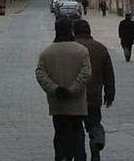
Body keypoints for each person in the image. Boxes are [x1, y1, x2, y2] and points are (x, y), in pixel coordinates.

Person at [36, 18, 92, 161]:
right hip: (77, 103)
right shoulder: (81, 51)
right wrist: (72, 89)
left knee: (60, 133)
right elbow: (86, 73)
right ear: (71, 30)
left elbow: (40, 74)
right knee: (78, 133)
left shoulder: (46, 53)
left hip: (57, 103)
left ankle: (62, 157)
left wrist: (55, 89)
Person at [73, 20, 115, 160]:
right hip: (94, 96)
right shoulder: (100, 48)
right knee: (94, 124)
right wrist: (110, 94)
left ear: (74, 31)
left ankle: (80, 156)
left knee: (77, 129)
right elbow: (109, 73)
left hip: (75, 97)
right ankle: (96, 141)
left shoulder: (72, 48)